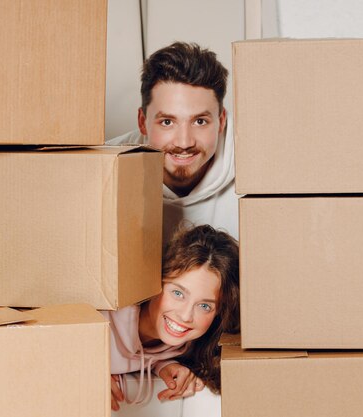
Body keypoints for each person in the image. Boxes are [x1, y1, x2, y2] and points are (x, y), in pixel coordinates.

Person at [106, 42, 238, 241]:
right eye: (167, 122)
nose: (184, 142)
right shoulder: (106, 168)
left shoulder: (254, 168)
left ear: (221, 122)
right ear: (143, 122)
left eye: (200, 121)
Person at [102, 225, 240, 411]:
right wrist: (83, 369)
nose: (185, 316)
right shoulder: (104, 320)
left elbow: (144, 353)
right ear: (155, 283)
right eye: (177, 293)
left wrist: (164, 365)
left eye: (204, 306)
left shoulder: (181, 348)